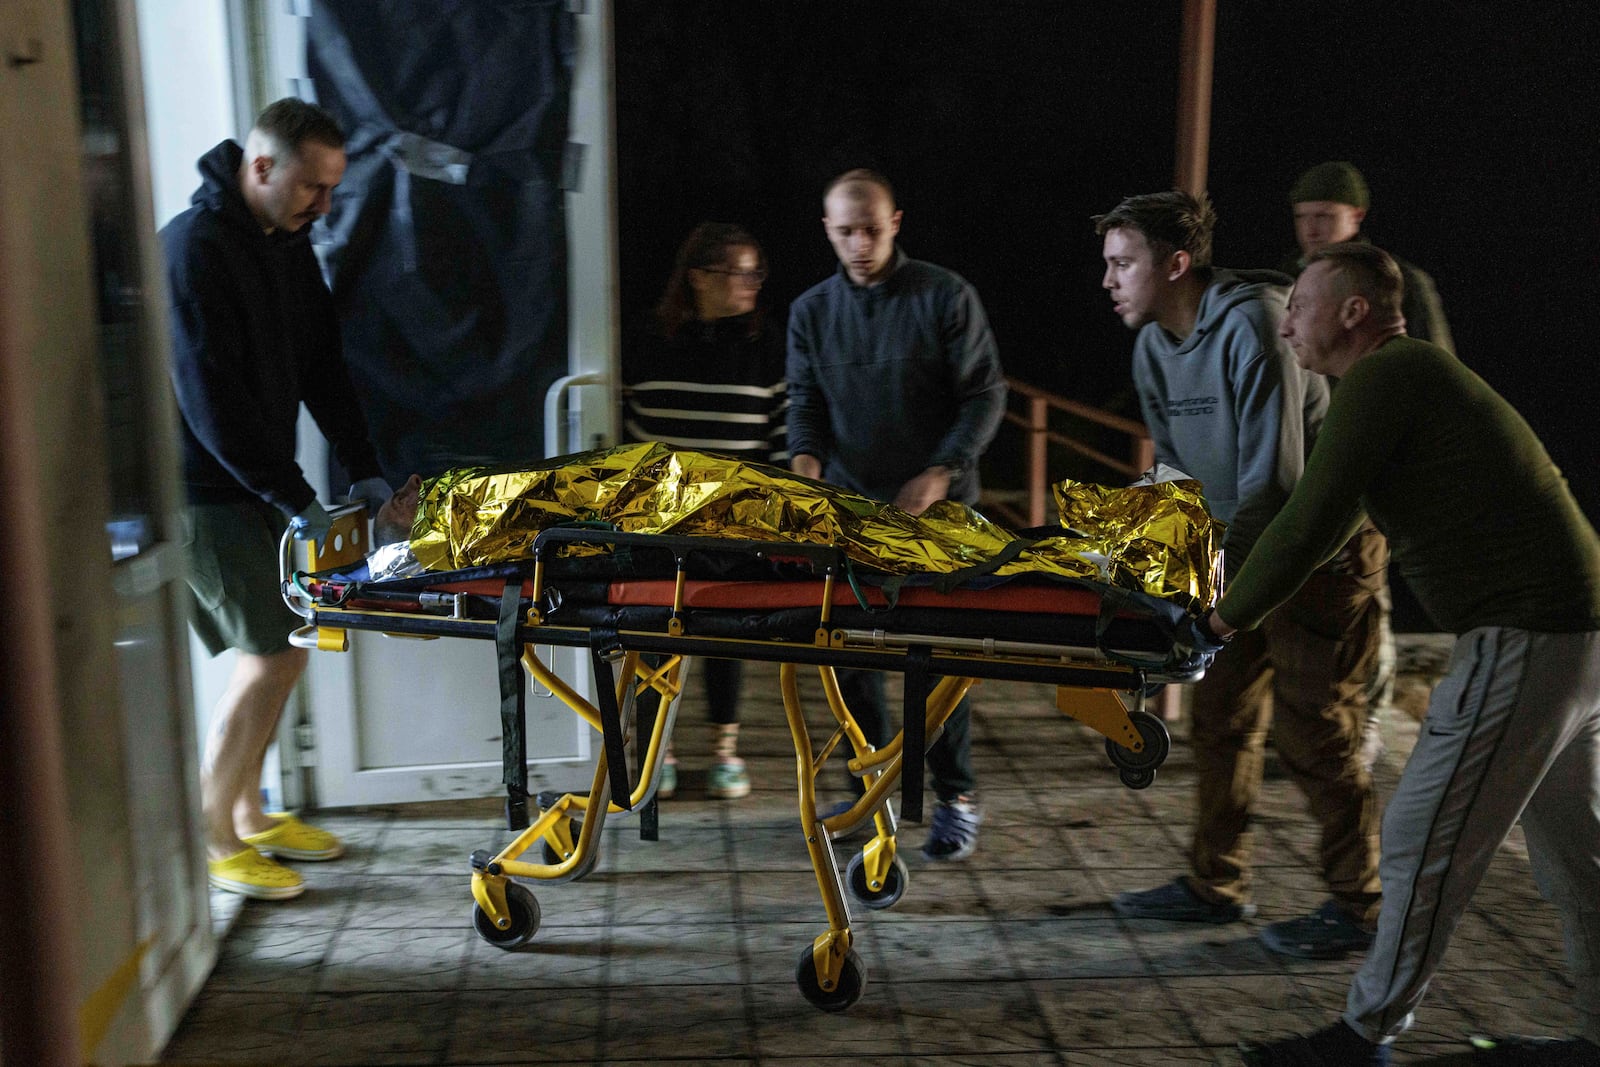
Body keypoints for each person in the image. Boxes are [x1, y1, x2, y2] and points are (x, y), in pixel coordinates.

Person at [1204, 243, 1600, 1066]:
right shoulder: (1401, 383)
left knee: (1424, 834)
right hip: (1579, 632)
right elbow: (1339, 519)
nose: (1287, 324)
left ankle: (1365, 1036)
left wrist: (1220, 619)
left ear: (1355, 311)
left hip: (1527, 632)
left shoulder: (1387, 376)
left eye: (1302, 305)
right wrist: (1244, 599)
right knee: (1576, 849)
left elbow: (1309, 517)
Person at [1096, 191, 1387, 959]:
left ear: (1176, 263)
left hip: (1319, 553)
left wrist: (1223, 586)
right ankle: (1213, 884)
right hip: (1238, 552)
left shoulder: (1253, 323)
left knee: (1314, 727)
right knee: (1220, 718)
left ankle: (1361, 906)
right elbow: (1179, 476)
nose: (1110, 280)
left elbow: (1277, 482)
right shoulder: (1152, 347)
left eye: (1124, 263)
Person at [162, 98, 392, 900]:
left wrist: (363, 465)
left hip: (262, 481)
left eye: (333, 189)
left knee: (287, 650)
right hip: (201, 490)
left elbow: (324, 363)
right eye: (312, 187)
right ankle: (211, 838)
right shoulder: (192, 250)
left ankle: (253, 814)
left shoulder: (286, 244)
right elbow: (208, 400)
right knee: (270, 657)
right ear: (261, 168)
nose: (323, 207)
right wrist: (296, 497)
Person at [787, 168, 1006, 860]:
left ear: (896, 223)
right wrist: (803, 461)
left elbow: (984, 393)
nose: (859, 243)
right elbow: (806, 400)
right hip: (851, 502)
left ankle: (957, 795)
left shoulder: (944, 294)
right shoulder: (811, 310)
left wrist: (943, 469)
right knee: (850, 653)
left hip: (937, 506)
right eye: (845, 230)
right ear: (827, 229)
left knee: (936, 657)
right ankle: (876, 780)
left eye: (871, 229)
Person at [1281, 160, 1457, 771]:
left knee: (1366, 597)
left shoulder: (1401, 282)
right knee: (1304, 596)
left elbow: (1435, 371)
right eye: (1303, 219)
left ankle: (1366, 724)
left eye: (1325, 218)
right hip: (1305, 458)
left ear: (1357, 218)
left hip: (1374, 461)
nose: (1312, 231)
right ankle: (1305, 728)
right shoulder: (1288, 281)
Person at [621, 222, 788, 800]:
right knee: (652, 630)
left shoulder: (766, 344)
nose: (751, 283)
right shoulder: (647, 339)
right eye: (738, 272)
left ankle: (724, 749)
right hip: (658, 521)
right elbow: (625, 429)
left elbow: (781, 433)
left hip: (737, 520)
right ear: (698, 277)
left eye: (755, 271)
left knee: (724, 634)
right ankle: (657, 751)